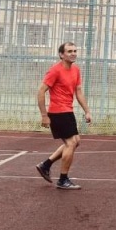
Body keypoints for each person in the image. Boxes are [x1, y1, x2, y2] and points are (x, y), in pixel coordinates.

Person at [34, 42, 92, 190]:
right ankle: (63, 180)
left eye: (75, 51)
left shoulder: (76, 70)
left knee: (75, 142)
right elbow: (41, 91)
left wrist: (87, 111)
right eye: (69, 51)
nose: (73, 53)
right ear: (61, 54)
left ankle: (45, 165)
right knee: (71, 143)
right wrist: (44, 115)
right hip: (57, 112)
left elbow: (78, 91)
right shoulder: (55, 70)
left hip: (68, 111)